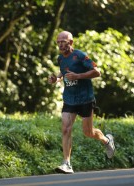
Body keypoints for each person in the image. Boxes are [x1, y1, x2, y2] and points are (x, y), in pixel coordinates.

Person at [48, 31, 115, 174]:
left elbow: (97, 72)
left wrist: (78, 76)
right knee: (66, 129)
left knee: (88, 132)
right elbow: (63, 72)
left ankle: (106, 141)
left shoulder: (80, 55)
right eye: (58, 42)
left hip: (85, 98)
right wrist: (56, 79)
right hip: (70, 99)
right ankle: (67, 163)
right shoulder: (60, 59)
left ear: (70, 42)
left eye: (63, 42)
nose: (60, 44)